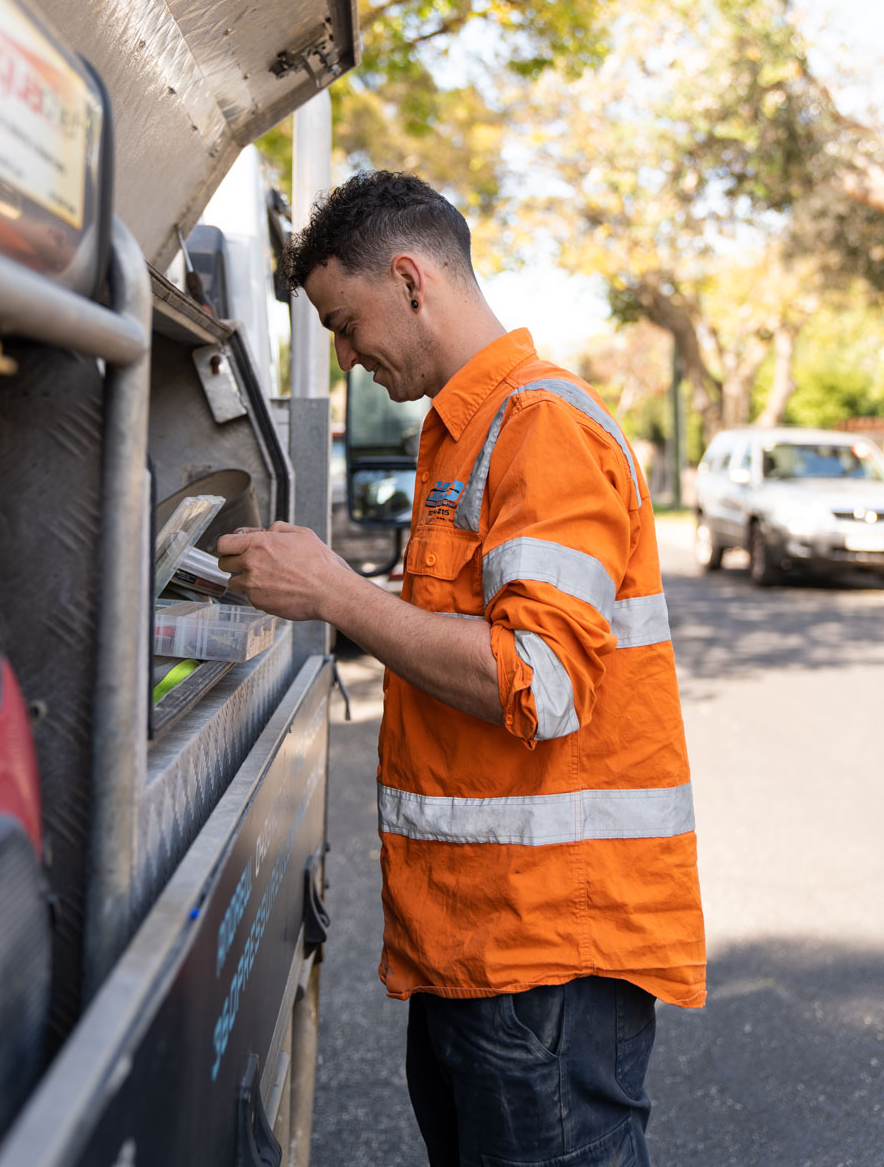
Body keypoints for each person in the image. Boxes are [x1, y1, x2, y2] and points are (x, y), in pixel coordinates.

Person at [217, 170, 706, 1167]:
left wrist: (337, 596)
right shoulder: (465, 431)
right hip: (478, 946)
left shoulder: (540, 427)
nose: (346, 357)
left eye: (344, 324)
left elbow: (537, 679)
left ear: (408, 278)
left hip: (543, 955)